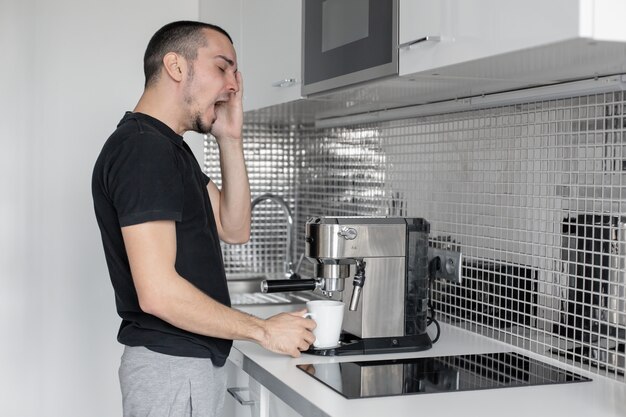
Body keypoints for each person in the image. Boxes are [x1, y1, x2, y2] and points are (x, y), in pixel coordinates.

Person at [91, 21, 316, 417]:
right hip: (172, 370)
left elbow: (235, 227)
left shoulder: (168, 149)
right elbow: (157, 292)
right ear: (177, 67)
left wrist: (229, 138)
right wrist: (263, 329)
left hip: (182, 367)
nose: (233, 84)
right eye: (222, 67)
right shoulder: (144, 151)